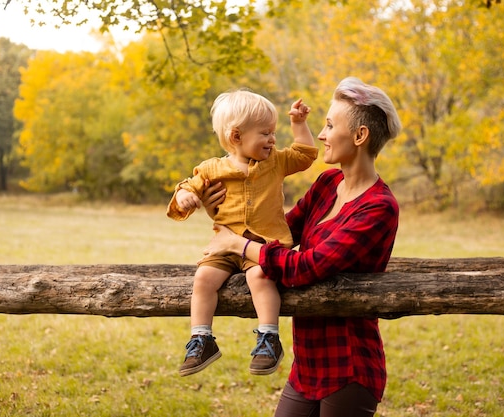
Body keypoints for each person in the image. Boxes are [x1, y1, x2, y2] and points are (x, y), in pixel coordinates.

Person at [202, 77, 402, 416]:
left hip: (350, 363)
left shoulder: (378, 207)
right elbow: (279, 233)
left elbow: (305, 268)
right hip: (307, 360)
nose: (321, 135)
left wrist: (236, 242)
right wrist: (225, 214)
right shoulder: (328, 183)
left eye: (328, 125)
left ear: (359, 136)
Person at [167, 88, 318, 377]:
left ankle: (268, 338)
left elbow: (306, 154)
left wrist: (298, 124)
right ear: (237, 137)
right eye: (265, 133)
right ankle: (201, 338)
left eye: (273, 132)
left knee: (259, 276)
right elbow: (189, 187)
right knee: (203, 278)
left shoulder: (275, 162)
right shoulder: (212, 168)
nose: (273, 139)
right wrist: (185, 197)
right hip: (224, 248)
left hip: (263, 246)